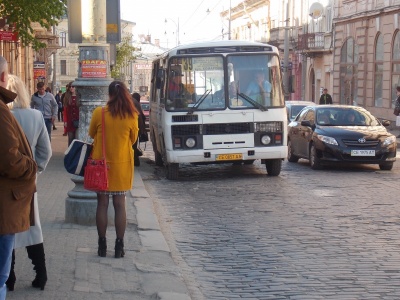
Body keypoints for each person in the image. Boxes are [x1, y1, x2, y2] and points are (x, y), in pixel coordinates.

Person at [6, 74, 52, 291]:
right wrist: (35, 172)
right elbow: (46, 150)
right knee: (33, 228)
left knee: (6, 229)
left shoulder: (4, 115)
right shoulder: (35, 115)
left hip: (5, 182)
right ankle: (41, 274)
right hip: (27, 181)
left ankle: (9, 277)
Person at [0, 56, 37, 300]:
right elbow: (9, 159)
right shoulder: (1, 111)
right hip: (5, 203)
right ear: (3, 77)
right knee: (0, 276)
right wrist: (31, 167)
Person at [88, 81, 139, 259]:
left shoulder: (99, 113)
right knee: (120, 205)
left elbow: (91, 134)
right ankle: (119, 246)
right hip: (122, 166)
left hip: (101, 168)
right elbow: (133, 140)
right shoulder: (132, 115)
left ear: (108, 95)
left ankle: (102, 245)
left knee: (102, 204)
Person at [131, 92, 147, 167]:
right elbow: (141, 116)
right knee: (134, 145)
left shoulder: (131, 101)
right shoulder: (136, 103)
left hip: (132, 126)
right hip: (135, 126)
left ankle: (135, 160)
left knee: (132, 145)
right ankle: (135, 161)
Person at [63, 82, 80, 146]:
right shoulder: (67, 97)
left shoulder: (79, 97)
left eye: (73, 86)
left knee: (77, 138)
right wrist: (65, 121)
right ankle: (70, 154)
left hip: (78, 121)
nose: (71, 88)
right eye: (70, 87)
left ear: (76, 87)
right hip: (70, 121)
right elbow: (65, 110)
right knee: (70, 139)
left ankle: (76, 154)